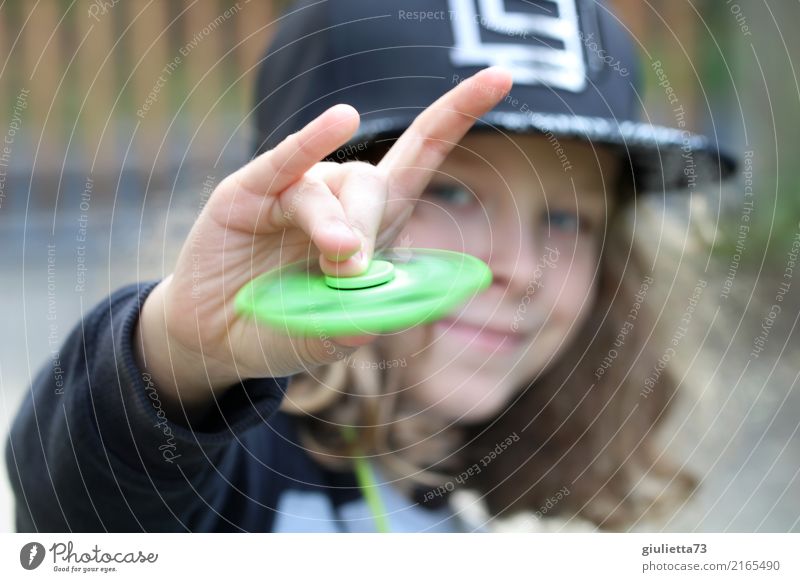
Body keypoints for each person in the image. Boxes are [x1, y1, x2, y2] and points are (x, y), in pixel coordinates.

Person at [6, 0, 735, 532]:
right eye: (448, 192)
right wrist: (179, 356)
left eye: (567, 218)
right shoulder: (233, 464)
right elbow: (78, 503)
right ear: (297, 210)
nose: (519, 267)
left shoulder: (507, 489)